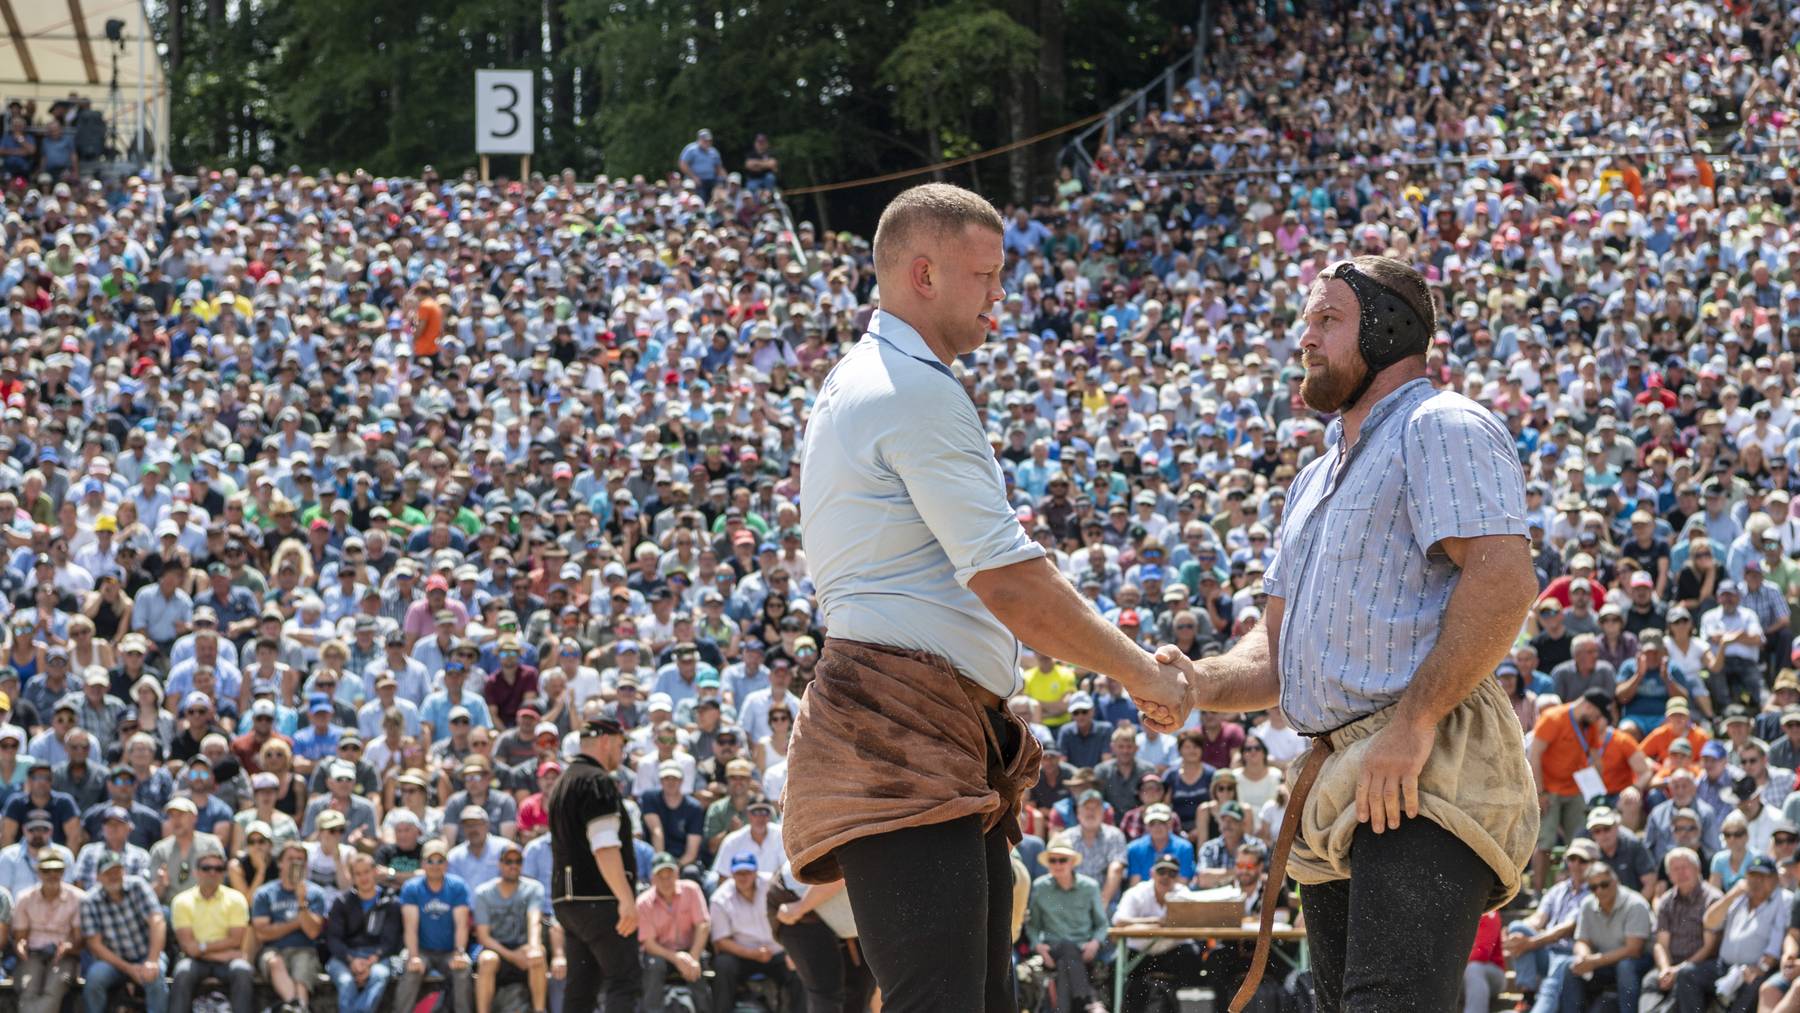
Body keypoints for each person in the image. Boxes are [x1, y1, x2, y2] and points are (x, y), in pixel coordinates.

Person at [784, 182, 1187, 1012]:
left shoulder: (868, 377)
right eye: (986, 273)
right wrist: (1144, 671)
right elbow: (1011, 584)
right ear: (923, 275)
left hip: (918, 726)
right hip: (899, 728)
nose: (1001, 294)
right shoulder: (913, 389)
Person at [1161, 254, 1539, 1009]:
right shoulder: (1312, 478)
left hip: (1423, 765)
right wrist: (1195, 682)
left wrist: (1413, 722)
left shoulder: (1442, 423)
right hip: (1337, 780)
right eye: (1307, 320)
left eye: (1328, 319)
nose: (1306, 337)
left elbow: (1503, 581)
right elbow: (1274, 652)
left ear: (1390, 327)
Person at [546, 717, 640, 1011]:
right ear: (606, 741)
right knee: (624, 981)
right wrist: (626, 899)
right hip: (600, 899)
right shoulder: (597, 781)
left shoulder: (562, 782)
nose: (622, 753)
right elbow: (605, 846)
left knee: (581, 988)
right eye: (621, 745)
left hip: (568, 903)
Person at [1674, 855, 1785, 1011]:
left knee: (1755, 984)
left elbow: (1776, 942)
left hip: (1755, 969)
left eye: (1763, 876)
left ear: (1774, 879)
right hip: (1724, 966)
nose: (1757, 881)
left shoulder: (1782, 900)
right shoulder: (1739, 897)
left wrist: (1762, 968)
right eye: (1753, 875)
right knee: (1687, 974)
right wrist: (1731, 895)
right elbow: (1709, 922)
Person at [1113, 853, 1207, 1012]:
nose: (1166, 877)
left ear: (1177, 877)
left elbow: (1197, 924)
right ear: (1152, 873)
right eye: (1161, 871)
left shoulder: (1183, 894)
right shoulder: (1137, 893)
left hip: (1173, 954)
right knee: (1118, 970)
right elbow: (1119, 921)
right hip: (1140, 955)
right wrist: (1154, 921)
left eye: (1172, 873)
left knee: (1194, 960)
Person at [79, 852, 169, 1013]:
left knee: (155, 974)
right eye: (108, 873)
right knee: (94, 978)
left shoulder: (138, 885)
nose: (113, 876)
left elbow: (157, 921)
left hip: (147, 954)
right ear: (98, 877)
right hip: (114, 962)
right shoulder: (89, 901)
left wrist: (152, 960)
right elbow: (95, 945)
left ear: (124, 871)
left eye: (117, 871)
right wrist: (129, 968)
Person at [708, 852, 797, 1013]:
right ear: (732, 874)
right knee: (723, 964)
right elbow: (721, 941)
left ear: (756, 871)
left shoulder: (773, 885)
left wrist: (792, 950)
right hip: (743, 956)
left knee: (799, 966)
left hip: (778, 951)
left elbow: (791, 916)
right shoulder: (720, 898)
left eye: (747, 872)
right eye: (738, 873)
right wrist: (753, 954)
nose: (743, 877)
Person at [392, 838, 474, 1013]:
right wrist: (414, 957)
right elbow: (410, 927)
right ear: (423, 863)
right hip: (422, 951)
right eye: (430, 860)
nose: (435, 865)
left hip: (449, 951)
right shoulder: (411, 887)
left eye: (440, 860)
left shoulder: (457, 886)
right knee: (411, 971)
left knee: (463, 971)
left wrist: (459, 953)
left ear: (447, 863)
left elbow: (461, 924)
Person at [1026, 840, 1109, 1013]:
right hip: (1052, 949)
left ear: (1072, 862)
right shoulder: (1040, 887)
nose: (1057, 865)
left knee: (1065, 964)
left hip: (1084, 951)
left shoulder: (1090, 886)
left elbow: (1102, 924)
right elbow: (1033, 925)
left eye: (1062, 860)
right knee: (1066, 946)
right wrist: (1039, 947)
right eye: (1052, 860)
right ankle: (1088, 1000)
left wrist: (1095, 943)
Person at [168, 851, 256, 1013]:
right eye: (206, 868)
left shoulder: (236, 899)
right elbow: (189, 947)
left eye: (218, 868)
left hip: (224, 962)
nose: (212, 872)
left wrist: (201, 949)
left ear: (223, 872)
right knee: (182, 971)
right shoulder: (181, 901)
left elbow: (236, 940)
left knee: (242, 970)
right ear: (196, 872)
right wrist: (220, 954)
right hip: (198, 960)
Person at [1636, 846, 1721, 1011]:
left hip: (1701, 965)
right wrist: (1665, 969)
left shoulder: (1712, 899)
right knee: (1650, 981)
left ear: (1697, 869)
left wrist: (1677, 970)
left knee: (1685, 976)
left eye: (1685, 867)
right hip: (1671, 964)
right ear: (1669, 875)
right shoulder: (1666, 901)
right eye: (1675, 869)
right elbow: (1661, 944)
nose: (1681, 873)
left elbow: (1710, 947)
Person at [252, 839, 328, 1013]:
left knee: (302, 968)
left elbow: (312, 932)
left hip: (304, 949)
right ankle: (298, 1006)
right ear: (280, 862)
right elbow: (263, 934)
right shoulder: (265, 893)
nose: (296, 863)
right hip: (273, 950)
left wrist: (301, 902)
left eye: (300, 859)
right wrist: (296, 923)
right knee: (274, 961)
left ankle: (294, 1007)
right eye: (291, 858)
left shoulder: (315, 893)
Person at [473, 839, 548, 1013]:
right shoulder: (483, 892)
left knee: (538, 954)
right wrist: (512, 956)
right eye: (508, 861)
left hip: (523, 947)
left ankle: (539, 1010)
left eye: (518, 861)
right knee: (486, 959)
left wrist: (534, 947)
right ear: (500, 864)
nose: (513, 866)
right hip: (498, 951)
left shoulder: (534, 888)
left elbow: (534, 920)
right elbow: (483, 936)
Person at [324, 852, 404, 1013]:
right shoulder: (342, 902)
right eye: (358, 874)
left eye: (366, 872)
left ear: (375, 872)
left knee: (379, 975)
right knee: (346, 982)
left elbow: (391, 940)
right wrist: (351, 960)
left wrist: (371, 961)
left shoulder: (390, 902)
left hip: (378, 956)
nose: (363, 877)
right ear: (352, 878)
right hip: (345, 956)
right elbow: (333, 939)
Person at [635, 852, 713, 1013]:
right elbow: (649, 944)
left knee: (698, 968)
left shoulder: (692, 889)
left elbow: (703, 925)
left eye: (669, 875)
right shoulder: (643, 902)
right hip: (660, 953)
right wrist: (676, 959)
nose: (666, 881)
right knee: (653, 965)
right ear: (653, 878)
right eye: (660, 876)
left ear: (677, 873)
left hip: (690, 950)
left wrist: (694, 957)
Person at [14, 853, 83, 1013]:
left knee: (54, 989)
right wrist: (20, 946)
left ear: (64, 872)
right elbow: (20, 937)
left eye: (57, 870)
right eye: (47, 871)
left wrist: (68, 947)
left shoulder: (78, 898)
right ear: (38, 872)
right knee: (28, 987)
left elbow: (80, 939)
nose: (52, 875)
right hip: (33, 954)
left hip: (64, 956)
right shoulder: (24, 898)